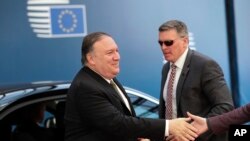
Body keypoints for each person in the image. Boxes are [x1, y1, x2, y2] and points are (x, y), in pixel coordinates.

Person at [64, 32, 198, 141]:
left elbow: (119, 123)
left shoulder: (106, 78)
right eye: (109, 53)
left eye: (117, 51)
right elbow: (118, 123)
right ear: (91, 59)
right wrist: (169, 126)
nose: (117, 57)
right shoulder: (86, 87)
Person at [157, 20, 234, 141]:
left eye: (168, 42)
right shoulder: (166, 68)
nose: (163, 47)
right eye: (160, 43)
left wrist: (189, 133)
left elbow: (225, 106)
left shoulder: (205, 65)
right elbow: (166, 110)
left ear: (185, 41)